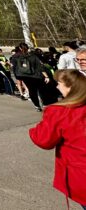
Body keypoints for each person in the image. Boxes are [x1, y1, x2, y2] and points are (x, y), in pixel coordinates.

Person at [29, 70, 86, 209]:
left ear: (70, 86)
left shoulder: (59, 111)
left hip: (80, 173)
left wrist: (34, 129)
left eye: (59, 83)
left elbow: (44, 140)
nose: (57, 87)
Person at [12, 43, 51, 112]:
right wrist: (46, 76)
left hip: (25, 76)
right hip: (36, 76)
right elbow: (40, 67)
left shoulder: (16, 57)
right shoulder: (33, 56)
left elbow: (14, 67)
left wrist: (17, 76)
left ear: (20, 48)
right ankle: (45, 104)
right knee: (41, 90)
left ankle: (37, 106)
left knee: (32, 91)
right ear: (27, 48)